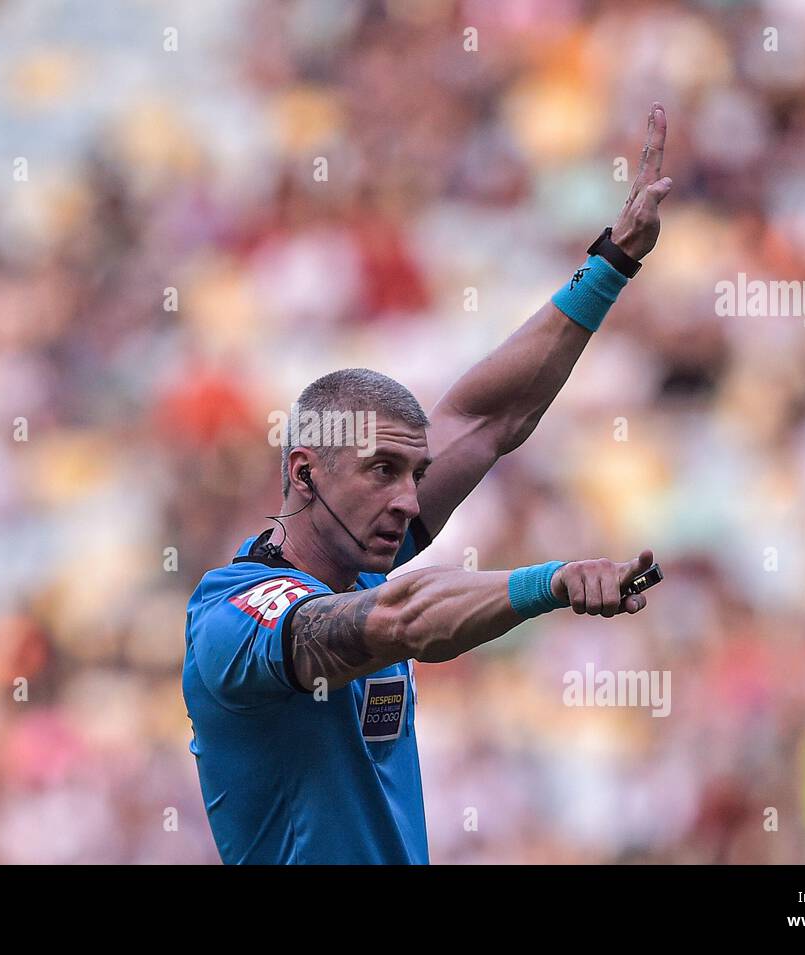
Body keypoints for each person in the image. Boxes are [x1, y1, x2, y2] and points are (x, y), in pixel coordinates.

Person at [183, 104, 674, 864]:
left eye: (414, 472)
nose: (411, 499)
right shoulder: (237, 619)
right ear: (305, 472)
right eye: (384, 470)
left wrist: (610, 264)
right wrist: (555, 581)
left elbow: (489, 414)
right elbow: (402, 619)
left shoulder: (361, 552)